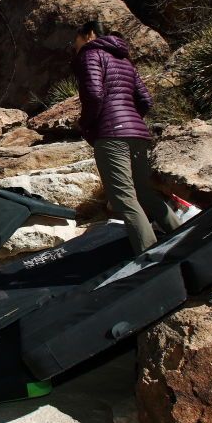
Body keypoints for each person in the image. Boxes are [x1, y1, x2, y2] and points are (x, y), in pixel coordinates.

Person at [72, 20, 180, 255]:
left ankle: (150, 257)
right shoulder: (124, 59)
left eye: (76, 39)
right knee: (144, 192)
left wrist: (88, 124)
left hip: (112, 136)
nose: (75, 45)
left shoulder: (90, 55)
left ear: (89, 35)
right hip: (138, 133)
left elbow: (93, 94)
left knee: (124, 198)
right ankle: (182, 240)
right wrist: (131, 120)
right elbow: (145, 100)